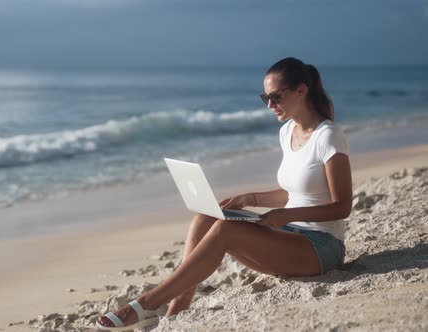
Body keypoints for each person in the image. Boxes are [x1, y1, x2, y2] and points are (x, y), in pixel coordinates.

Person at [96, 57, 352, 331]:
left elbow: (341, 207)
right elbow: (295, 191)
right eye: (265, 97)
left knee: (225, 230)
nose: (269, 104)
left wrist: (284, 216)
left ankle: (144, 304)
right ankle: (178, 306)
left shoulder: (328, 136)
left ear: (301, 90)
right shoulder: (287, 131)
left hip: (320, 247)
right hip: (289, 235)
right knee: (206, 216)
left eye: (276, 96)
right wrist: (251, 199)